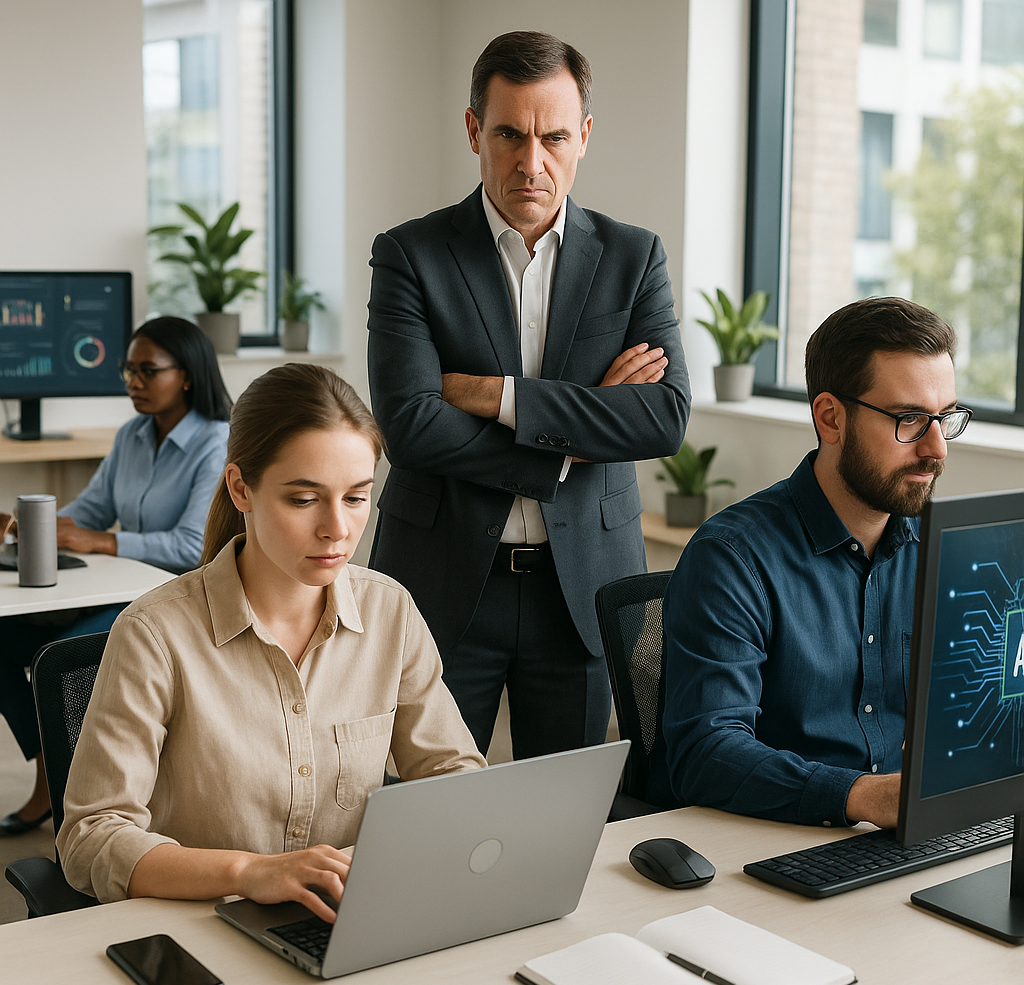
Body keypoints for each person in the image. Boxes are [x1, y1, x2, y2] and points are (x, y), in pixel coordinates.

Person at [56, 364, 484, 920]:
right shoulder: (154, 635)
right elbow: (91, 836)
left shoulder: (389, 611)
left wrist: (374, 861)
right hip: (199, 924)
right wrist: (248, 872)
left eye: (356, 498)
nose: (337, 529)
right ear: (241, 488)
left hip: (344, 916)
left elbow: (455, 775)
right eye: (304, 500)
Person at [367, 31, 690, 760]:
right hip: (443, 587)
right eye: (510, 133)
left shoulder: (634, 257)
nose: (531, 162)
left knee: (561, 824)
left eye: (552, 137)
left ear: (584, 138)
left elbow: (664, 416)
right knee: (428, 820)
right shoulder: (410, 254)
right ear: (475, 129)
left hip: (581, 592)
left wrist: (495, 394)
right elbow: (412, 426)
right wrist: (586, 418)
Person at [647, 296, 973, 830]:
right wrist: (864, 796)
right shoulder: (732, 558)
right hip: (771, 843)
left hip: (908, 839)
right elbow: (705, 754)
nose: (936, 448)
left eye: (945, 418)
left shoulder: (945, 549)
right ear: (831, 418)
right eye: (910, 419)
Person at [0, 316, 231, 835]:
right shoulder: (132, 435)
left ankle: (76, 799)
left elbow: (194, 545)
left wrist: (103, 542)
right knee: (2, 637)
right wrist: (28, 528)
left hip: (179, 598)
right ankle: (49, 774)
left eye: (148, 370)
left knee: (54, 659)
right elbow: (92, 510)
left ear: (188, 374)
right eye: (128, 371)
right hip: (126, 588)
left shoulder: (217, 442)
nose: (133, 382)